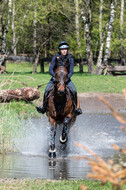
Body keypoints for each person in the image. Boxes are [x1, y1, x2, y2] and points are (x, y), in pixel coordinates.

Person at [36, 41, 82, 115]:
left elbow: (71, 71)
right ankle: (43, 107)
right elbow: (50, 70)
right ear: (60, 50)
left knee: (74, 90)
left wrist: (67, 78)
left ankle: (76, 108)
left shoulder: (70, 59)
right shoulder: (55, 58)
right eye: (62, 49)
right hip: (56, 79)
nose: (64, 51)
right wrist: (55, 77)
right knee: (47, 89)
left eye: (65, 49)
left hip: (66, 79)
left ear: (67, 50)